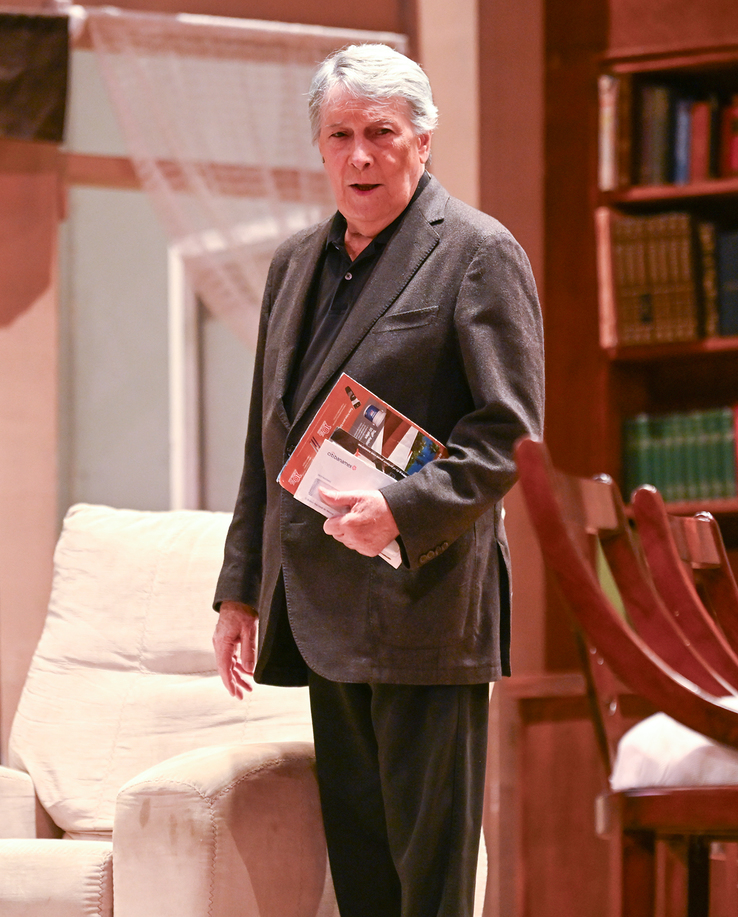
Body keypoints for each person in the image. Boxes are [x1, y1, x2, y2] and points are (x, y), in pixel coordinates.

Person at [212, 42, 544, 917]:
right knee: (364, 884)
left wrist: (399, 509)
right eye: (341, 135)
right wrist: (239, 589)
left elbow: (509, 435)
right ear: (320, 147)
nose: (360, 155)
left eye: (382, 133)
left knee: (429, 886)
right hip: (322, 608)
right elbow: (266, 440)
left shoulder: (478, 251)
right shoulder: (292, 265)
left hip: (425, 608)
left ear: (422, 141)